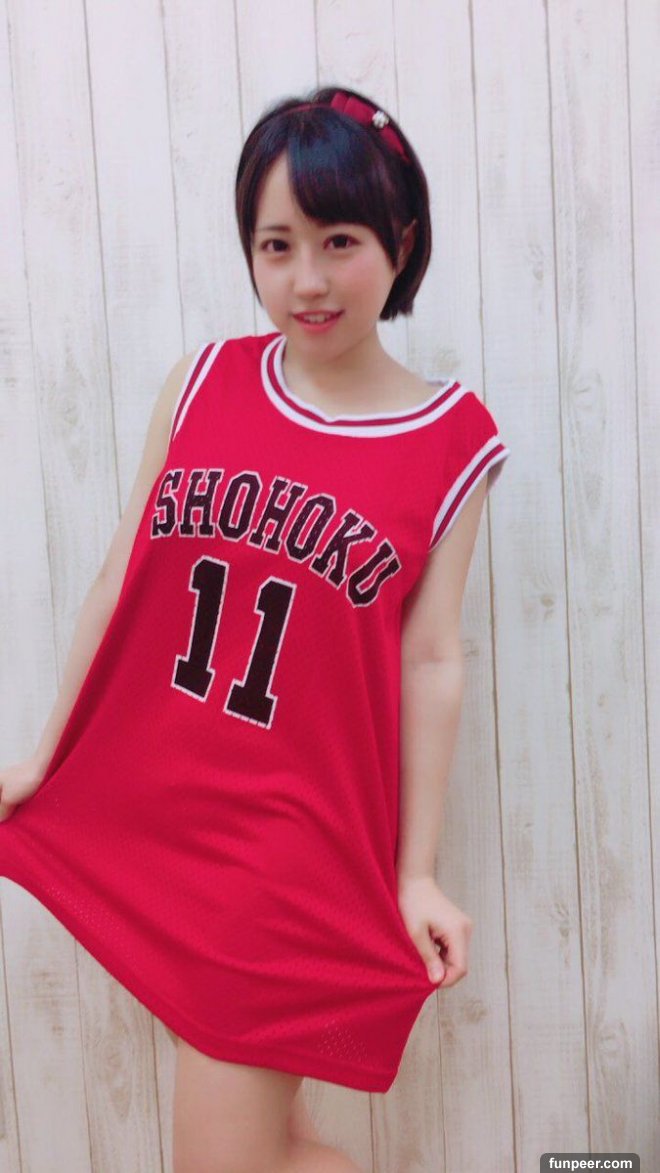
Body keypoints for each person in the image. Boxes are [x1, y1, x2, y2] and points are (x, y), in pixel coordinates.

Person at [0, 85, 511, 1172]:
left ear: (401, 238)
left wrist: (414, 872)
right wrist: (45, 759)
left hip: (288, 856)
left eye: (339, 241)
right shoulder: (204, 382)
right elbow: (121, 579)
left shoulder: (451, 441)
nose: (307, 280)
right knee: (274, 1147)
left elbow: (430, 659)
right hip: (168, 820)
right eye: (276, 246)